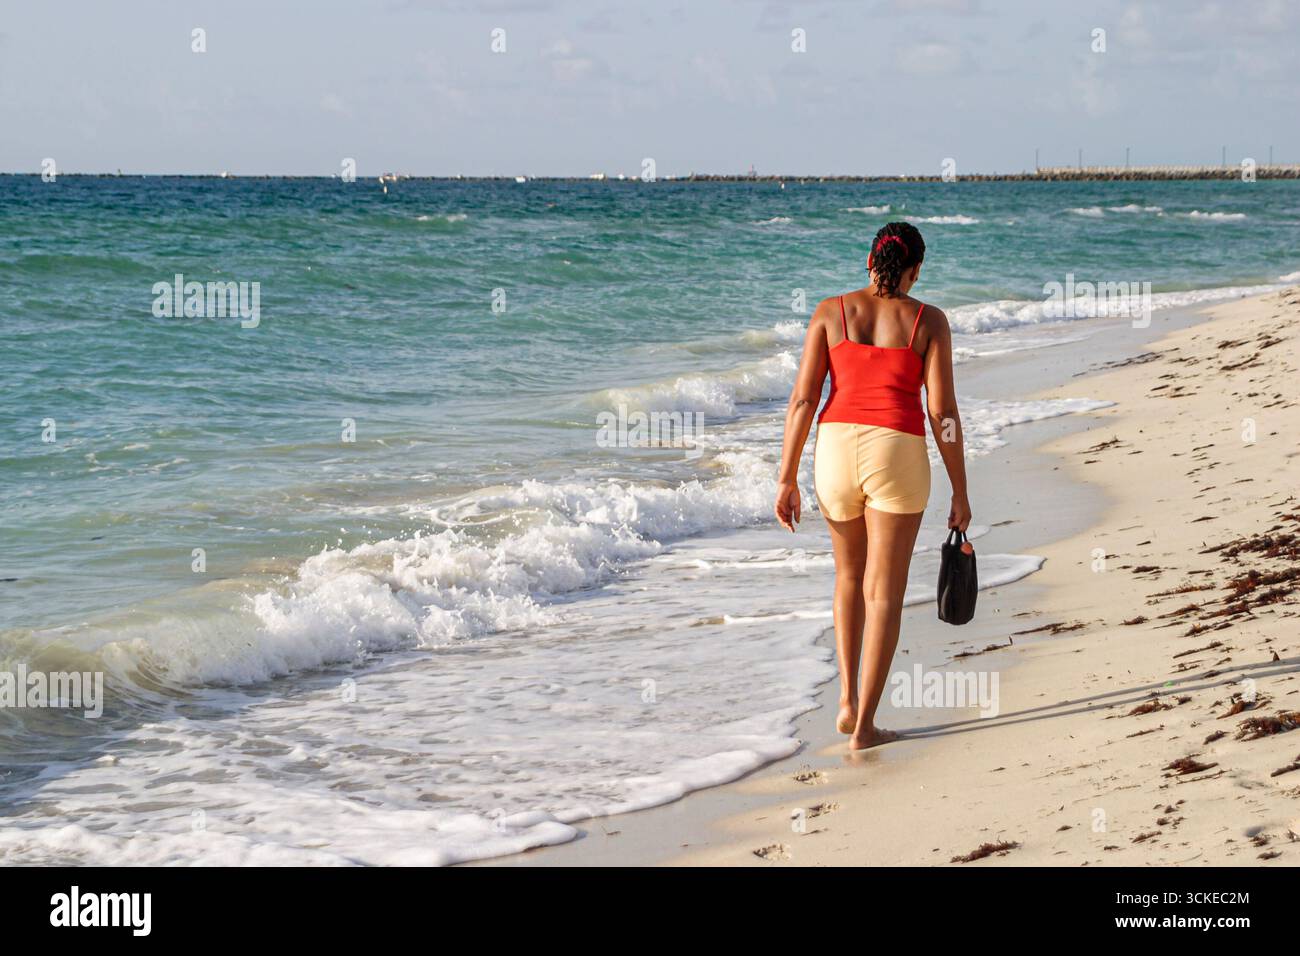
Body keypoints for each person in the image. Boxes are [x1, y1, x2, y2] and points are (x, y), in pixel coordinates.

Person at [773, 222, 971, 750]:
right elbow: (942, 412)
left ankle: (846, 700)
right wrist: (960, 488)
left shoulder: (828, 312)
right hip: (896, 449)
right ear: (916, 269)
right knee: (883, 590)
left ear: (868, 260)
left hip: (834, 450)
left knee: (847, 577)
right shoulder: (929, 320)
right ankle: (864, 728)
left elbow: (802, 401)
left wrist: (787, 475)